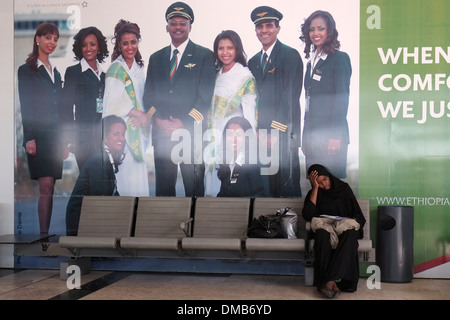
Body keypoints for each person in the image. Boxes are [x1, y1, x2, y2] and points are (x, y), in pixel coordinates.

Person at [143, 2, 216, 197]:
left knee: (194, 191)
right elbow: (148, 96)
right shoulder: (155, 58)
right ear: (167, 27)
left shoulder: (205, 56)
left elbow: (204, 99)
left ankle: (196, 228)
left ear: (190, 26)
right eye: (173, 23)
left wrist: (183, 123)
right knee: (164, 192)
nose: (177, 27)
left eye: (182, 23)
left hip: (191, 136)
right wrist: (158, 120)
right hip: (162, 136)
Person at [248, 6, 303, 198]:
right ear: (255, 31)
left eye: (269, 25)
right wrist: (257, 131)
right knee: (266, 190)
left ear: (278, 28)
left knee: (286, 187)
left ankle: (290, 229)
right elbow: (253, 100)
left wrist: (274, 132)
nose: (264, 30)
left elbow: (290, 98)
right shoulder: (253, 62)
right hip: (260, 136)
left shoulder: (290, 56)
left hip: (283, 135)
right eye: (260, 26)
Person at [17, 22, 64, 234]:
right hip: (39, 136)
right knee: (45, 187)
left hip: (56, 138)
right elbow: (26, 105)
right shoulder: (27, 70)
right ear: (38, 39)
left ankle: (46, 235)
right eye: (48, 38)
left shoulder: (56, 73)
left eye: (55, 39)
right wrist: (29, 138)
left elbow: (60, 108)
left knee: (50, 188)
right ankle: (44, 237)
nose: (52, 42)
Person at [299, 10, 352, 179]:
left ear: (329, 31)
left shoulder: (339, 59)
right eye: (312, 29)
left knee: (331, 187)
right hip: (313, 138)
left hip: (331, 137)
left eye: (320, 29)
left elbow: (341, 100)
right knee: (316, 185)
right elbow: (308, 104)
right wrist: (305, 138)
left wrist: (335, 136)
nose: (316, 33)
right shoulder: (311, 63)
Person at [205, 30, 257, 196]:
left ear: (237, 50)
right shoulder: (215, 75)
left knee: (232, 182)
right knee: (213, 180)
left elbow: (250, 110)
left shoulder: (244, 75)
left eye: (230, 48)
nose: (225, 52)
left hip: (234, 137)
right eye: (221, 48)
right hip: (214, 133)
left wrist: (248, 141)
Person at [302, 164, 365, 298]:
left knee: (350, 236)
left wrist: (350, 219)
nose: (324, 184)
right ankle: (333, 282)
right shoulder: (315, 193)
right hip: (326, 228)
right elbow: (308, 215)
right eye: (319, 183)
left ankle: (328, 281)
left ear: (329, 175)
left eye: (325, 179)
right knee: (321, 235)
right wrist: (315, 189)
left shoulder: (344, 189)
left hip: (344, 228)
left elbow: (359, 217)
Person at [102, 19, 150, 196]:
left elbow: (143, 98)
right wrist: (137, 113)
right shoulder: (116, 68)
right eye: (125, 43)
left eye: (133, 42)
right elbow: (113, 102)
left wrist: (145, 119)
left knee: (138, 179)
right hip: (122, 130)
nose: (130, 47)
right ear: (119, 46)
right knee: (125, 178)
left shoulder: (139, 69)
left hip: (138, 130)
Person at [65, 115, 126, 236]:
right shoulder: (100, 160)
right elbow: (100, 200)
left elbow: (112, 195)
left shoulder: (106, 158)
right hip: (81, 225)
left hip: (92, 219)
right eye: (116, 134)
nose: (121, 138)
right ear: (105, 137)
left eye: (123, 135)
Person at [61, 26, 109, 171]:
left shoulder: (104, 75)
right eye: (84, 45)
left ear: (99, 46)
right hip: (82, 139)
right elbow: (66, 107)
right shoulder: (73, 72)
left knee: (101, 185)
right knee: (88, 182)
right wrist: (68, 140)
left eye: (92, 44)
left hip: (102, 139)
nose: (88, 48)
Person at [217, 117, 268, 197]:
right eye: (230, 134)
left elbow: (262, 196)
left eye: (238, 134)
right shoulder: (228, 163)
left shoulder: (253, 163)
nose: (234, 139)